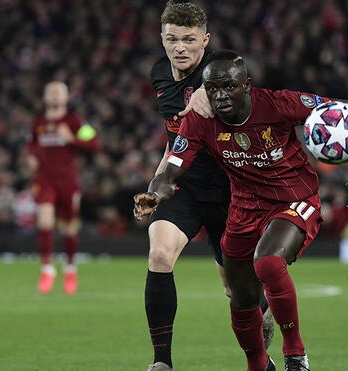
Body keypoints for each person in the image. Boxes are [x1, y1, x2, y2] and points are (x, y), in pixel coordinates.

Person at [134, 50, 348, 371]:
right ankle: (258, 364)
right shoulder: (199, 120)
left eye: (228, 86)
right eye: (212, 89)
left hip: (294, 200)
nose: (220, 95)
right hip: (243, 210)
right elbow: (171, 170)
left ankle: (295, 355)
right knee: (242, 298)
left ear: (247, 85)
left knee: (268, 262)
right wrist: (155, 195)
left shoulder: (278, 103)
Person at [140, 3, 272, 371]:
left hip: (231, 193)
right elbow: (173, 139)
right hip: (185, 188)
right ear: (162, 39)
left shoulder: (222, 73)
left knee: (237, 292)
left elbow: (249, 105)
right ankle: (161, 362)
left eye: (188, 39)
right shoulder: (159, 74)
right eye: (172, 39)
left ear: (205, 40)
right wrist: (157, 184)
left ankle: (263, 357)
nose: (179, 47)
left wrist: (212, 91)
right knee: (160, 255)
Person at [28, 81, 101, 295]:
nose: (54, 95)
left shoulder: (74, 122)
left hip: (68, 180)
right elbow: (32, 143)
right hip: (44, 179)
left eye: (59, 92)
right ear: (44, 97)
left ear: (66, 97)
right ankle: (47, 268)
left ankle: (70, 268)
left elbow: (95, 143)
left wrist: (72, 139)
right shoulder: (39, 122)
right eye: (50, 92)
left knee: (69, 228)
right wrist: (31, 156)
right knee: (44, 221)